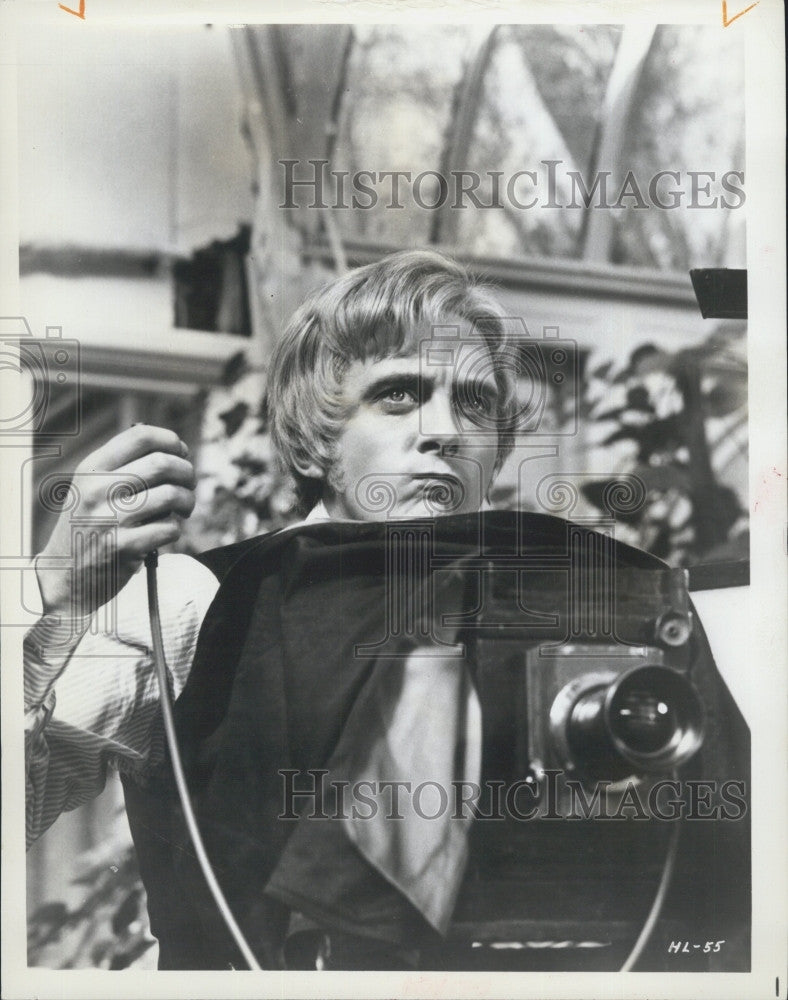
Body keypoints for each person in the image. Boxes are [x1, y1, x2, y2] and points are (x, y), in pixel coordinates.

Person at [24, 249, 749, 972]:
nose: (444, 430)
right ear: (319, 440)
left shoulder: (575, 605)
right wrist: (56, 594)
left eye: (474, 404)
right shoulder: (201, 600)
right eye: (398, 394)